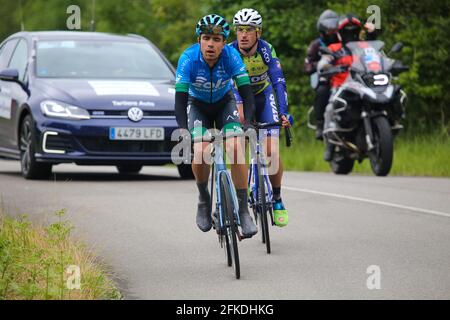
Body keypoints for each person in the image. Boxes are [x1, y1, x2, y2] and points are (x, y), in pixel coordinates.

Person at [174, 14, 258, 237]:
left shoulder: (231, 56)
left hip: (224, 103)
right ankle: (204, 198)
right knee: (201, 151)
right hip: (197, 105)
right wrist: (183, 130)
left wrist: (247, 122)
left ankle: (243, 208)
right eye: (206, 38)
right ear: (199, 39)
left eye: (217, 39)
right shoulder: (188, 59)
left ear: (224, 43)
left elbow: (246, 94)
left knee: (236, 147)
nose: (211, 44)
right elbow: (180, 100)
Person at [230, 8, 293, 227]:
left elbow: (278, 82)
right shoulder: (230, 53)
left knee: (271, 152)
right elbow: (230, 86)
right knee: (238, 147)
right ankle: (242, 195)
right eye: (240, 30)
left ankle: (277, 199)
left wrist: (283, 112)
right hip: (239, 97)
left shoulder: (266, 50)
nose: (243, 34)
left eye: (249, 30)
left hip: (263, 98)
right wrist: (239, 111)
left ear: (258, 32)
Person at [304, 9, 340, 140]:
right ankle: (320, 124)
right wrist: (320, 65)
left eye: (334, 29)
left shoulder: (344, 42)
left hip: (345, 77)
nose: (332, 33)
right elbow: (307, 65)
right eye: (329, 30)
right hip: (326, 79)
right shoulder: (316, 45)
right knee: (322, 92)